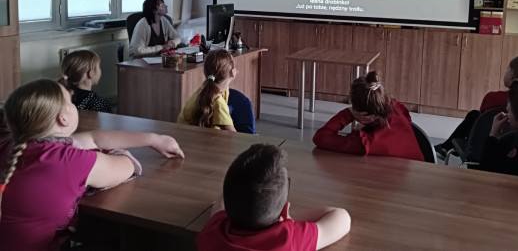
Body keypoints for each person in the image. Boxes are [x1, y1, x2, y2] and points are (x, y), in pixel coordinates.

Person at [0, 79, 185, 250]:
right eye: (71, 102)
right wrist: (110, 153)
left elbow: (93, 138)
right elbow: (129, 166)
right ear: (63, 118)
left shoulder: (8, 146)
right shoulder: (70, 161)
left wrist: (153, 139)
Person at [195, 143, 351, 250]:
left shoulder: (213, 232)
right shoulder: (290, 240)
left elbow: (221, 202)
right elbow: (342, 217)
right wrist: (286, 220)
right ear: (285, 210)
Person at [434, 54, 518, 160]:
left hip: (483, 150)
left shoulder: (492, 98)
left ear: (512, 74)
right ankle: (445, 147)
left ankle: (445, 148)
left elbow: (481, 122)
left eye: (508, 69)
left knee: (474, 115)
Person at [312, 71, 424, 161]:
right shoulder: (396, 108)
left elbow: (321, 138)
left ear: (358, 111)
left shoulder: (365, 143)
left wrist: (348, 114)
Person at [177, 48, 238, 131]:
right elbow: (232, 135)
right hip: (194, 138)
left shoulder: (206, 89)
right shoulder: (218, 101)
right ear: (232, 72)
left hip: (185, 135)